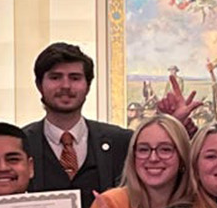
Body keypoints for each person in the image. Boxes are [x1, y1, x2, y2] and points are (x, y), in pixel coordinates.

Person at [22, 42, 134, 194]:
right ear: (39, 85)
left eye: (75, 78)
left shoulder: (122, 142)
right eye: (55, 77)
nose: (66, 86)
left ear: (88, 86)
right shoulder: (21, 144)